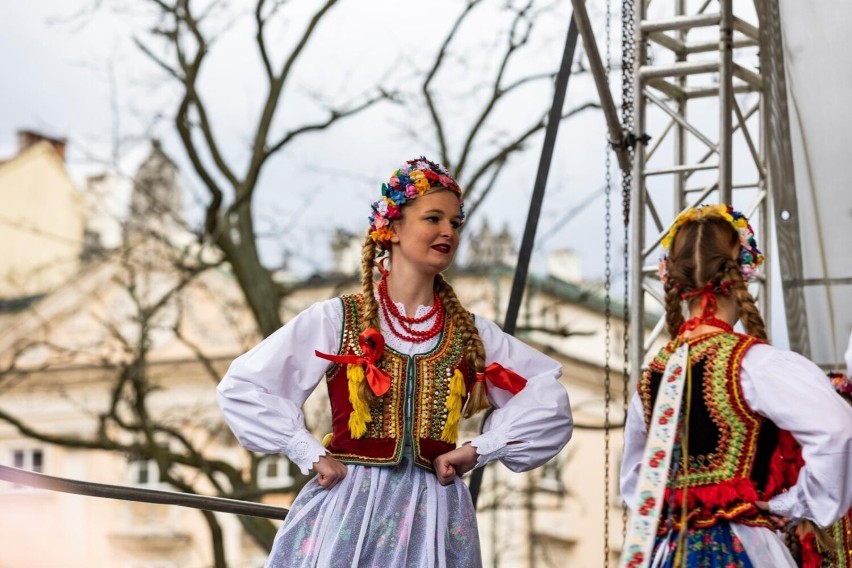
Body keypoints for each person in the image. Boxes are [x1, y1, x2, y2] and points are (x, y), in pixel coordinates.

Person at [217, 157, 573, 568]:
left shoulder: (471, 332)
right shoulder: (338, 317)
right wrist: (308, 452)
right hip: (352, 509)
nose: (447, 231)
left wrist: (479, 449)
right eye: (433, 218)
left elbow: (547, 396)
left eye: (455, 223)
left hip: (436, 516)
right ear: (394, 228)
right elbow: (244, 385)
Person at [619, 204, 852, 567]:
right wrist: (792, 504)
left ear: (676, 279)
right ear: (744, 273)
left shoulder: (653, 375)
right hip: (743, 546)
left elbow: (636, 482)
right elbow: (837, 430)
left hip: (669, 550)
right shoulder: (754, 364)